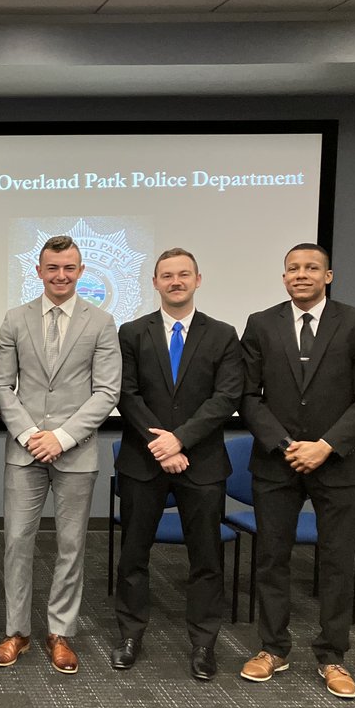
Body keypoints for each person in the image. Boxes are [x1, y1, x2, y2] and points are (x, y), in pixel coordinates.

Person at [239, 242, 355, 699]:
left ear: (328, 276)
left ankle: (332, 656)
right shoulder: (262, 324)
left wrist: (325, 446)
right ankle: (272, 648)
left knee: (339, 562)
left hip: (338, 462)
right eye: (292, 269)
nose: (300, 275)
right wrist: (287, 445)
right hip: (277, 462)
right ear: (283, 277)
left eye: (311, 268)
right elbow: (247, 396)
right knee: (271, 558)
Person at [0, 234, 121, 674]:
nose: (61, 275)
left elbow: (107, 392)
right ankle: (17, 632)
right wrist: (31, 434)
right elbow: (0, 387)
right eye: (52, 268)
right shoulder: (14, 320)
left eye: (69, 268)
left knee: (70, 547)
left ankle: (60, 633)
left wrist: (61, 437)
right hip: (24, 451)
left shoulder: (101, 322)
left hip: (76, 454)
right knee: (16, 543)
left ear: (81, 271)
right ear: (39, 271)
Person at [112, 248, 242, 680]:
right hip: (143, 461)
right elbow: (126, 394)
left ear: (198, 280)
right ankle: (130, 633)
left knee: (206, 559)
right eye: (166, 275)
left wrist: (180, 439)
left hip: (201, 461)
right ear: (155, 283)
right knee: (133, 555)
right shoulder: (131, 332)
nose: (175, 281)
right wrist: (161, 444)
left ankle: (204, 642)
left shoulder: (223, 335)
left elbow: (225, 398)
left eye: (183, 274)